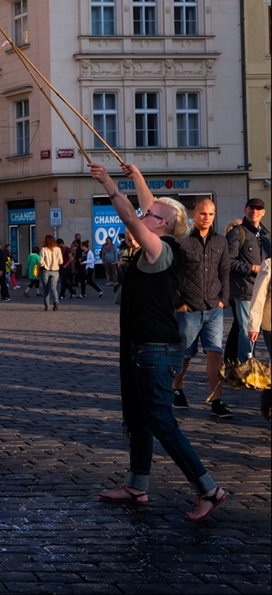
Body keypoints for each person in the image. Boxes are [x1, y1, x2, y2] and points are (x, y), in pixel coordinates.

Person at [91, 161, 225, 523]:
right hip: (144, 348)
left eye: (150, 214)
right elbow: (151, 210)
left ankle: (208, 489)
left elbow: (136, 220)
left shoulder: (159, 251)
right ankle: (137, 485)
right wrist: (136, 178)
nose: (143, 213)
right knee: (139, 419)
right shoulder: (163, 238)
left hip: (155, 351)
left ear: (160, 225)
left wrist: (109, 185)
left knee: (162, 422)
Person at [170, 198, 231, 417]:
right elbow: (172, 274)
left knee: (215, 353)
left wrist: (224, 298)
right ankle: (176, 389)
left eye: (211, 214)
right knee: (185, 353)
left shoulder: (221, 242)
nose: (207, 217)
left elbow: (224, 271)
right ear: (194, 215)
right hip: (190, 308)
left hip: (214, 307)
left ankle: (217, 400)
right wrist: (179, 303)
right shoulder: (182, 241)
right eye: (203, 213)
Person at [224, 198, 270, 365]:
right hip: (244, 290)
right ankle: (246, 367)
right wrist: (252, 268)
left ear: (263, 212)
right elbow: (228, 261)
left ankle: (237, 363)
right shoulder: (237, 232)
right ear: (245, 210)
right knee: (246, 330)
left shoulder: (265, 235)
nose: (255, 211)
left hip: (262, 291)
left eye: (259, 209)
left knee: (256, 330)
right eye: (252, 208)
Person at [246, 258, 271, 421]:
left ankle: (268, 394)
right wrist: (253, 325)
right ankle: (268, 398)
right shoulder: (269, 265)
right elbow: (259, 295)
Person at [39, 235, 63, 311]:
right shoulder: (58, 249)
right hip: (55, 270)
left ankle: (47, 306)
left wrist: (43, 265)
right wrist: (56, 263)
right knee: (53, 288)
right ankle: (56, 301)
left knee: (45, 289)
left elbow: (41, 261)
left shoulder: (43, 249)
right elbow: (61, 261)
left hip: (45, 270)